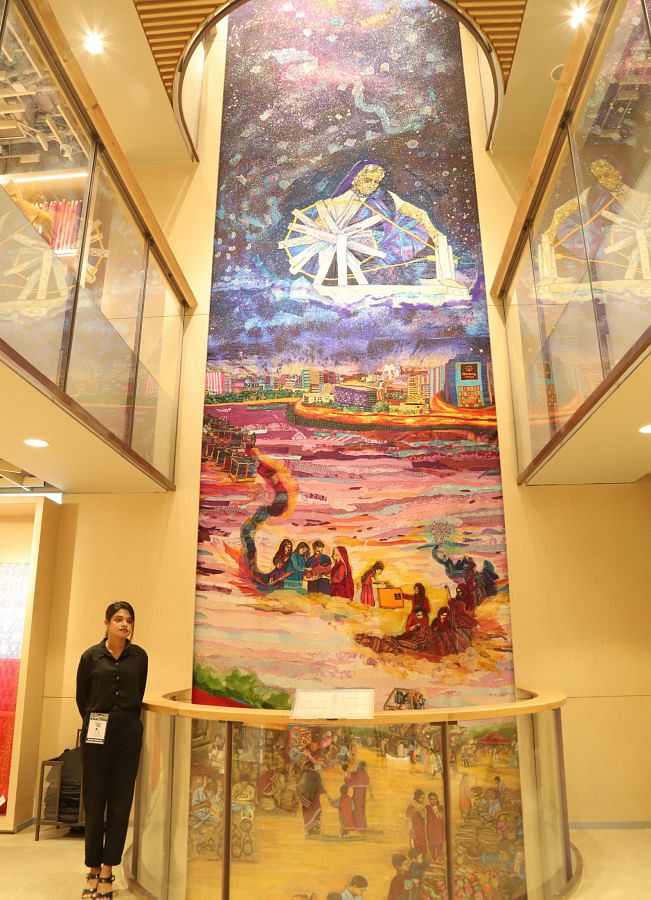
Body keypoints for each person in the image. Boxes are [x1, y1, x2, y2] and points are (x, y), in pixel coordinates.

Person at [76, 602, 148, 900]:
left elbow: (139, 692)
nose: (124, 624)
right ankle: (93, 867)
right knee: (95, 802)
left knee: (120, 803)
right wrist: (97, 719)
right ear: (106, 623)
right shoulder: (90, 657)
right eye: (118, 619)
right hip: (96, 733)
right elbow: (82, 698)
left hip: (128, 735)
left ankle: (108, 869)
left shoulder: (139, 657)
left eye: (129, 620)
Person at [296, 760, 327, 836]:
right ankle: (316, 831)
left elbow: (300, 786)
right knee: (316, 814)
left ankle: (310, 832)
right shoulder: (317, 774)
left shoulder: (305, 774)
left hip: (307, 800)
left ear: (306, 766)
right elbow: (321, 787)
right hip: (315, 800)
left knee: (308, 815)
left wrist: (297, 788)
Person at [345, 760, 371, 831]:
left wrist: (346, 773)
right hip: (362, 798)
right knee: (361, 810)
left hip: (356, 796)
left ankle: (355, 826)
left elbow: (347, 781)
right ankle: (361, 826)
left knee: (355, 810)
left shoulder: (354, 774)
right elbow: (367, 783)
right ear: (364, 767)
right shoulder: (365, 774)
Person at [406, 789, 428, 856]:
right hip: (414, 826)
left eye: (423, 798)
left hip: (421, 826)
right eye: (421, 798)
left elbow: (425, 816)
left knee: (422, 840)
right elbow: (407, 814)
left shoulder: (423, 806)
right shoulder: (412, 805)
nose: (422, 799)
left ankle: (422, 855)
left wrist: (422, 813)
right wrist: (415, 810)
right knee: (414, 840)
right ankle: (415, 855)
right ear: (417, 797)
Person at [426, 792, 445, 861]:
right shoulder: (427, 807)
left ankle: (438, 857)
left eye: (435, 799)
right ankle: (434, 857)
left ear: (437, 799)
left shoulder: (440, 807)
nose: (433, 800)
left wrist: (437, 810)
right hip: (430, 828)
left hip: (438, 827)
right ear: (429, 800)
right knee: (432, 842)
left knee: (439, 842)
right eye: (431, 799)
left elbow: (442, 817)